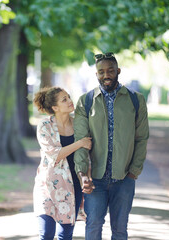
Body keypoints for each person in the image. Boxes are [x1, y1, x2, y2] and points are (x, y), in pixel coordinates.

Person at [73, 52, 149, 240]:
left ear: (118, 71)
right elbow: (81, 142)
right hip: (94, 179)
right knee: (93, 225)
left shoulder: (135, 99)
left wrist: (134, 171)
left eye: (110, 71)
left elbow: (142, 138)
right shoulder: (86, 101)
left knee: (120, 229)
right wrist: (82, 175)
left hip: (124, 177)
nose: (106, 75)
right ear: (96, 75)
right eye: (101, 72)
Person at [33, 87, 92, 240]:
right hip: (47, 185)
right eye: (64, 99)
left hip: (73, 186)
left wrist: (87, 177)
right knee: (46, 234)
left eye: (69, 97)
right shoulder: (45, 125)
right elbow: (55, 155)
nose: (70, 101)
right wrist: (79, 143)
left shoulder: (79, 124)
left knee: (65, 235)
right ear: (55, 107)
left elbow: (87, 155)